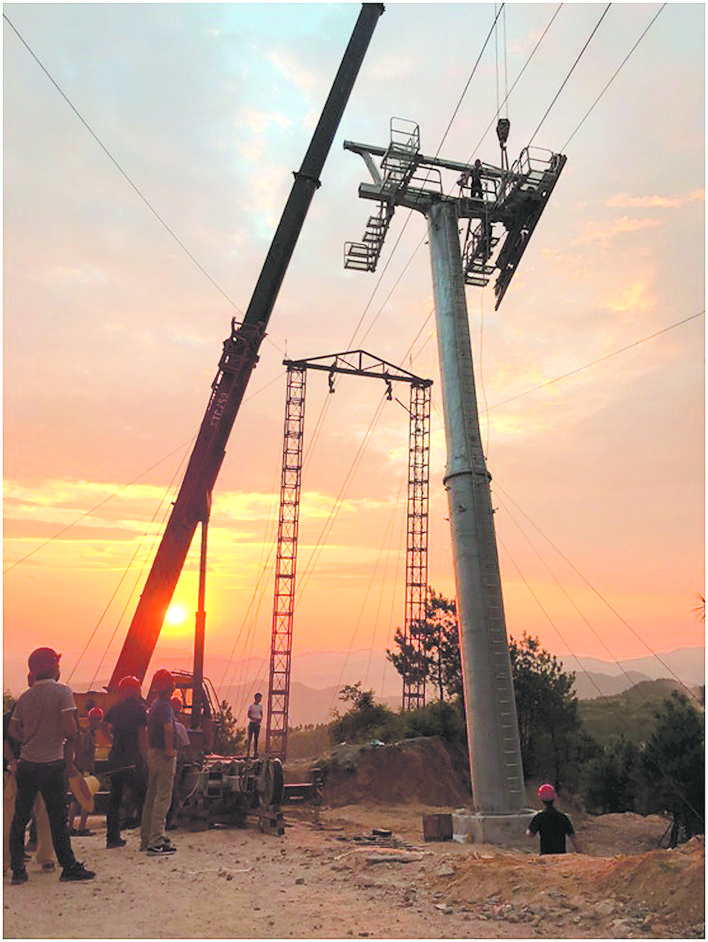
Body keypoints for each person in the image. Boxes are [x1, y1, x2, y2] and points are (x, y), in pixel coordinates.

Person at [8, 647, 95, 884]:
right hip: (51, 764)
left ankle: (17, 869)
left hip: (27, 764)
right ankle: (68, 866)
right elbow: (69, 728)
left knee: (20, 818)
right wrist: (71, 736)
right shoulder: (62, 692)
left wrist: (30, 738)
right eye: (57, 664)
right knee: (57, 818)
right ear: (50, 667)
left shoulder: (26, 697)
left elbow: (13, 730)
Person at [103, 675, 148, 849]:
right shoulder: (139, 709)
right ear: (135, 689)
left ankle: (112, 837)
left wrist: (111, 740)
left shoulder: (116, 708)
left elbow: (102, 726)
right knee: (142, 797)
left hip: (116, 759)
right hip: (133, 759)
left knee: (114, 798)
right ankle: (146, 837)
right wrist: (145, 758)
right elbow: (142, 736)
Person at [140, 670, 178, 855]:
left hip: (153, 753)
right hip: (163, 755)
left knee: (151, 797)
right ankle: (156, 841)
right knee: (163, 798)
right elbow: (168, 728)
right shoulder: (164, 706)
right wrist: (170, 749)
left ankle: (146, 838)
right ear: (171, 686)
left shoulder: (154, 704)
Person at [67, 706, 103, 836]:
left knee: (75, 798)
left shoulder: (85, 733)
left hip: (80, 768)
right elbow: (84, 753)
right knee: (85, 798)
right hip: (84, 770)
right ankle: (81, 826)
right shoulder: (88, 736)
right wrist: (86, 770)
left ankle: (70, 825)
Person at [526, 783, 583, 855]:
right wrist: (581, 854)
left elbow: (530, 834)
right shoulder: (563, 817)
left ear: (540, 798)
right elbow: (573, 839)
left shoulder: (539, 817)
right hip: (561, 857)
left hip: (545, 857)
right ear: (555, 797)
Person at [165, 694, 194, 831]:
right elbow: (187, 747)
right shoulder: (180, 728)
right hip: (175, 762)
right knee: (174, 791)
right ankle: (170, 820)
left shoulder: (162, 725)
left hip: (162, 761)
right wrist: (192, 763)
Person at [246, 692, 263, 758]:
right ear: (256, 698)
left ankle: (256, 752)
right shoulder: (251, 706)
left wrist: (260, 720)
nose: (260, 699)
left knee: (256, 738)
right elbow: (248, 715)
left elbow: (261, 714)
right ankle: (248, 752)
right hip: (252, 723)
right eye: (259, 698)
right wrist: (254, 719)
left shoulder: (260, 706)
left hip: (257, 724)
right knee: (250, 738)